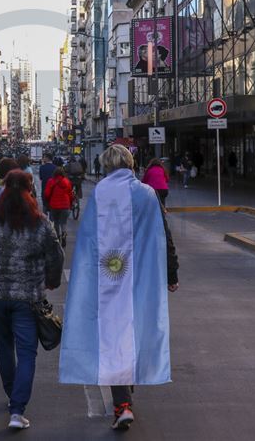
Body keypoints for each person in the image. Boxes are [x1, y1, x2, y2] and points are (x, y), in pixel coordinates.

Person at [59, 144, 178, 431]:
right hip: (141, 276)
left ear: (106, 166)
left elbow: (88, 241)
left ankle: (122, 402)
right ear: (130, 163)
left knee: (112, 334)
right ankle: (126, 389)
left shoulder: (100, 193)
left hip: (107, 278)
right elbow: (163, 235)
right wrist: (171, 273)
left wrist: (85, 280)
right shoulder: (147, 194)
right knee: (136, 328)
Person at [0, 169, 63, 431]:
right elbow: (55, 255)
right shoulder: (40, 222)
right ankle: (17, 410)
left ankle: (12, 396)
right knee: (27, 353)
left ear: (4, 188)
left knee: (4, 347)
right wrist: (51, 281)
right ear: (30, 190)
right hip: (27, 298)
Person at [44, 166, 73, 246]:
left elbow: (46, 194)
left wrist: (47, 200)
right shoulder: (67, 181)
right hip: (65, 206)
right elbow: (70, 194)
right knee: (63, 223)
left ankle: (58, 238)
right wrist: (70, 203)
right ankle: (64, 236)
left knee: (56, 222)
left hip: (54, 206)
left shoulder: (51, 181)